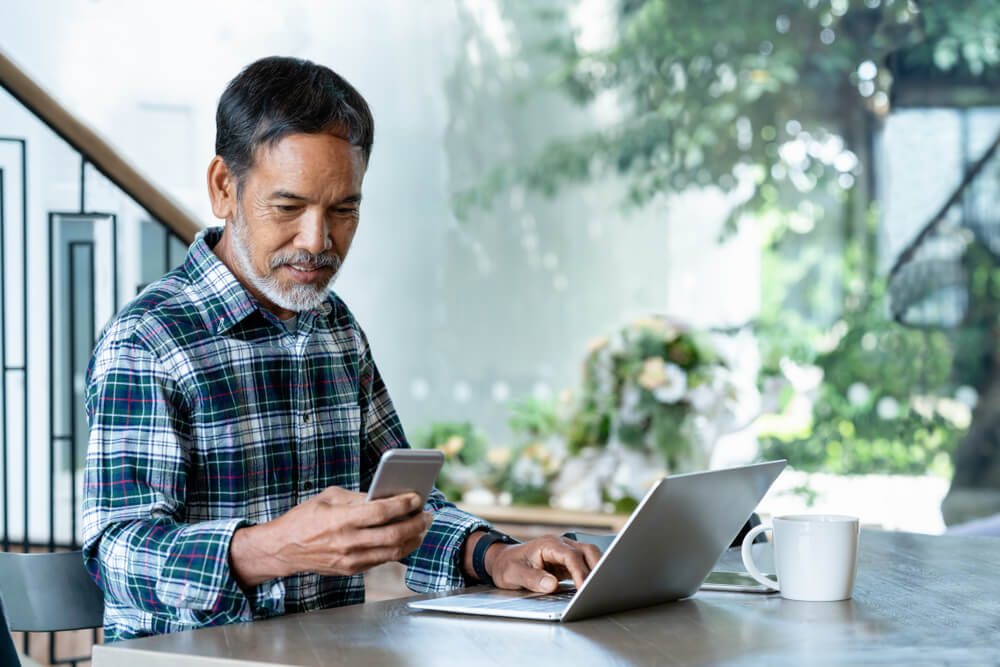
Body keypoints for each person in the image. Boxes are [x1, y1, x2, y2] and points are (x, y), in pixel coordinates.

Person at [82, 56, 601, 641]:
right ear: (224, 188)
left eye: (344, 210)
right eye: (288, 207)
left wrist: (496, 557)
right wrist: (276, 548)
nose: (318, 241)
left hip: (330, 654)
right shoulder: (150, 339)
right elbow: (118, 556)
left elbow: (398, 506)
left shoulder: (334, 327)